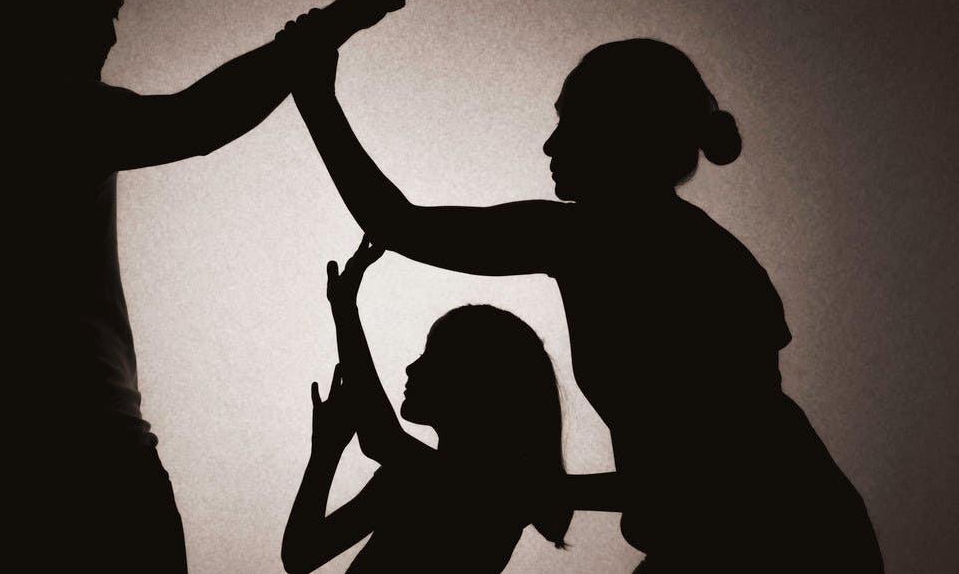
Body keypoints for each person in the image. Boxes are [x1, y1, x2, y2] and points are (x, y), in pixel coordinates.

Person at [0, 0, 410, 572]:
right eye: (97, 9)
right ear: (40, 4)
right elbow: (196, 120)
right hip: (93, 476)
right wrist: (340, 18)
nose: (109, 33)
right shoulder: (44, 110)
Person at [290, 38, 883, 572]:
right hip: (743, 535)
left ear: (618, 131)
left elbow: (726, 467)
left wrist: (315, 97)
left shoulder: (602, 242)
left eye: (567, 122)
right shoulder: (658, 248)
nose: (549, 144)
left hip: (779, 539)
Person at [283, 238, 614, 573]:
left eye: (432, 356)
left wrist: (344, 310)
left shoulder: (491, 491)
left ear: (472, 384)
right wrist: (325, 453)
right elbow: (301, 554)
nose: (411, 368)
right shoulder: (413, 480)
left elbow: (379, 438)